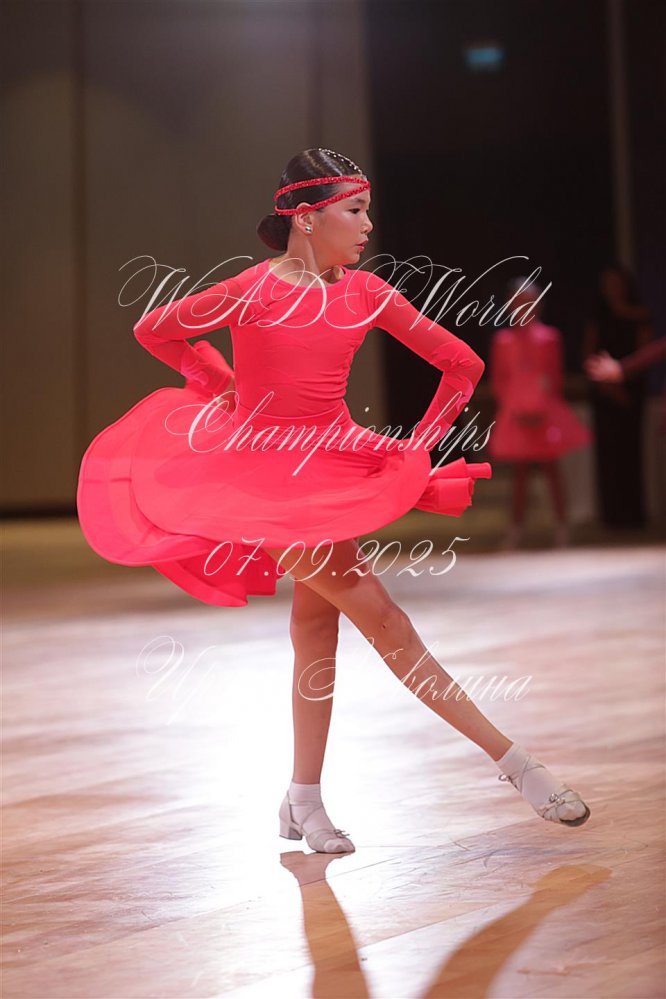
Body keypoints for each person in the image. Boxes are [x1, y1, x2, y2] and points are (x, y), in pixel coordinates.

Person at [76, 148, 590, 853]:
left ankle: (301, 801)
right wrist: (221, 384)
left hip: (333, 470)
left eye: (367, 210)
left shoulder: (366, 292)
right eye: (355, 210)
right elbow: (155, 327)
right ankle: (517, 764)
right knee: (387, 621)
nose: (368, 224)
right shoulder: (252, 288)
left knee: (318, 633)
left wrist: (418, 447)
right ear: (307, 218)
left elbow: (462, 364)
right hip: (266, 482)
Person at [487, 278, 593, 549]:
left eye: (528, 302)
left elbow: (554, 378)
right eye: (517, 302)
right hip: (516, 413)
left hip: (544, 412)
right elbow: (500, 380)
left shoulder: (549, 337)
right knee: (519, 475)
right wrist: (515, 408)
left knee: (551, 469)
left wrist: (539, 408)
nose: (523, 307)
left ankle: (562, 526)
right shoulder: (503, 340)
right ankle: (516, 529)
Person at [582, 262, 655, 529]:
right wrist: (609, 384)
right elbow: (589, 355)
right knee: (608, 455)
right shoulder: (598, 317)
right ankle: (611, 516)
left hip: (631, 393)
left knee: (630, 453)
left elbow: (648, 353)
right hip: (605, 392)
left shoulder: (641, 316)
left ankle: (633, 515)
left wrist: (623, 378)